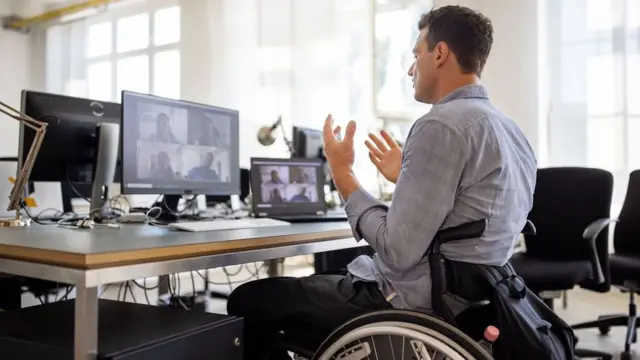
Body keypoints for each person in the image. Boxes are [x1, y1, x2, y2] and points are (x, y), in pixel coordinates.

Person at [226, 6, 537, 359]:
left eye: (416, 54)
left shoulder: (440, 125)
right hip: (472, 302)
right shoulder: (512, 132)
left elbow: (398, 250)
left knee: (247, 300)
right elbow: (469, 220)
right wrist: (407, 178)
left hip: (409, 303)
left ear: (440, 53)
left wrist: (343, 173)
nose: (410, 69)